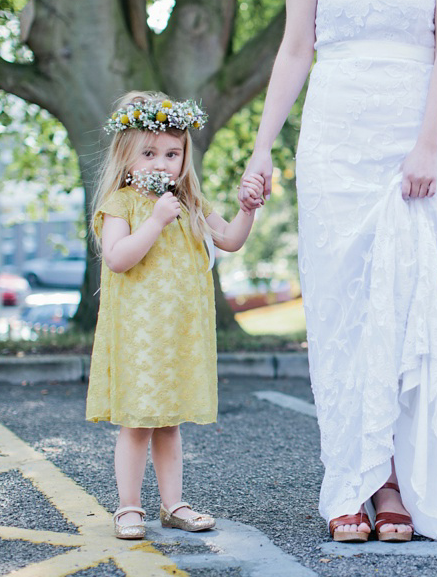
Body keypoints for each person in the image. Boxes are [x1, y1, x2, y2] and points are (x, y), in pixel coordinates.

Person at [240, 0, 437, 543]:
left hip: (409, 132)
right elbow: (295, 49)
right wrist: (263, 146)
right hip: (334, 137)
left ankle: (394, 483)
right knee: (341, 311)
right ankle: (351, 481)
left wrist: (427, 143)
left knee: (399, 308)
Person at [86, 91, 264, 540]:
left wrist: (247, 211)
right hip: (137, 334)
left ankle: (173, 504)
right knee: (137, 422)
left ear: (185, 156)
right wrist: (155, 221)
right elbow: (117, 257)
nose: (162, 163)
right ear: (126, 157)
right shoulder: (122, 204)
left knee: (169, 422)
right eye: (149, 153)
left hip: (179, 333)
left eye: (172, 153)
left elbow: (230, 240)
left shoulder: (190, 202)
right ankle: (129, 507)